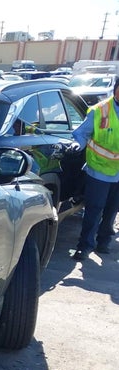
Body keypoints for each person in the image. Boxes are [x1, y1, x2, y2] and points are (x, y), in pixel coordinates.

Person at [70, 77, 119, 261]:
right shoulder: (100, 111)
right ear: (115, 90)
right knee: (94, 208)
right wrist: (77, 145)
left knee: (112, 209)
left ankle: (104, 241)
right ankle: (84, 246)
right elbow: (81, 134)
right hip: (99, 170)